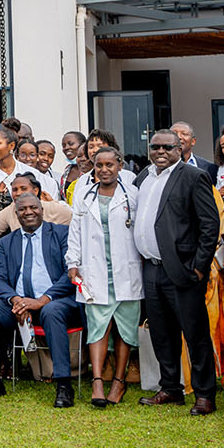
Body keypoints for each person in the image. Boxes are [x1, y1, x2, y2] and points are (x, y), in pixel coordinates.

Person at [132, 129, 222, 416]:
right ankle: (171, 387)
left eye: (167, 147)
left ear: (180, 147)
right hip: (151, 268)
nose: (160, 151)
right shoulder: (144, 177)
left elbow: (210, 225)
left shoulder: (193, 177)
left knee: (194, 333)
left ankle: (205, 393)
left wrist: (198, 266)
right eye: (155, 146)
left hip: (182, 269)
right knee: (161, 332)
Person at [0, 193, 81, 406]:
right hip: (19, 306)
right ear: (16, 213)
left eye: (33, 207)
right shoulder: (7, 241)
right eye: (22, 209)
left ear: (42, 209)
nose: (28, 212)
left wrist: (42, 300)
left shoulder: (61, 233)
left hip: (56, 302)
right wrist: (15, 299)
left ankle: (63, 385)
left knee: (52, 311)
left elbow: (71, 273)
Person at [65, 146, 141, 407]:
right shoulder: (84, 196)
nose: (105, 169)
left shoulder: (132, 194)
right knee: (97, 327)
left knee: (125, 329)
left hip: (127, 271)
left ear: (120, 165)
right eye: (100, 165)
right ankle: (98, 381)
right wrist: (73, 263)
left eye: (110, 164)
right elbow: (75, 233)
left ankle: (118, 381)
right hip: (94, 271)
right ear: (94, 167)